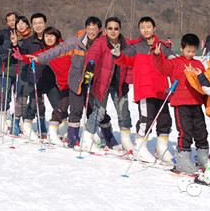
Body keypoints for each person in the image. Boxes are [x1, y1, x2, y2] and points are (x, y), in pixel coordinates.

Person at [32, 17, 103, 148]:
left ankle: (95, 135)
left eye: (94, 29)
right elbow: (50, 53)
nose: (91, 31)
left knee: (94, 109)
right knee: (71, 110)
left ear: (99, 30)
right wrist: (35, 58)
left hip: (92, 81)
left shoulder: (102, 42)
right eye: (89, 28)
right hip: (72, 82)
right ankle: (70, 137)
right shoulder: (73, 43)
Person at [113, 16, 176, 163]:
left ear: (154, 28)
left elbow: (173, 61)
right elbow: (124, 59)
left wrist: (175, 59)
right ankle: (140, 147)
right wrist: (118, 55)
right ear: (139, 30)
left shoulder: (162, 46)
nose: (146, 30)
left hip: (161, 89)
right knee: (146, 119)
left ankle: (162, 149)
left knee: (165, 119)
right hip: (145, 89)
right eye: (142, 27)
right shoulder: (135, 46)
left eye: (148, 27)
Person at [153, 33, 209, 174]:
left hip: (196, 103)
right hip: (181, 103)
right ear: (181, 48)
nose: (190, 54)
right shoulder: (176, 63)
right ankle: (183, 159)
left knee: (201, 129)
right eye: (188, 51)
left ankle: (203, 157)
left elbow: (204, 82)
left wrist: (199, 75)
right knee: (186, 130)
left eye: (193, 51)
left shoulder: (198, 64)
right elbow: (162, 68)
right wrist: (158, 56)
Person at [80, 17, 134, 153]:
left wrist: (127, 81)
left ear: (120, 30)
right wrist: (90, 65)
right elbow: (93, 54)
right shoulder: (100, 42)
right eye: (110, 28)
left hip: (119, 84)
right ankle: (87, 139)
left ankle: (126, 142)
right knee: (99, 112)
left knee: (124, 113)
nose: (113, 31)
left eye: (116, 28)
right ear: (105, 30)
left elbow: (130, 63)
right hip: (102, 83)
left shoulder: (126, 43)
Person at [13, 27, 72, 145]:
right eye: (46, 36)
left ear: (57, 36)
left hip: (63, 82)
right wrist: (21, 57)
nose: (49, 38)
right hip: (39, 81)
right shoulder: (44, 50)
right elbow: (33, 57)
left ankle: (64, 131)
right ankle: (27, 127)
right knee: (34, 105)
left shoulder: (65, 47)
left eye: (51, 36)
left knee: (60, 105)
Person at [0, 12, 18, 126]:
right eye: (9, 20)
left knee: (19, 96)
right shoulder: (3, 33)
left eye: (14, 19)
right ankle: (3, 115)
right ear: (7, 22)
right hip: (6, 68)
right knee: (5, 94)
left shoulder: (23, 34)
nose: (12, 22)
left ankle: (18, 117)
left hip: (20, 69)